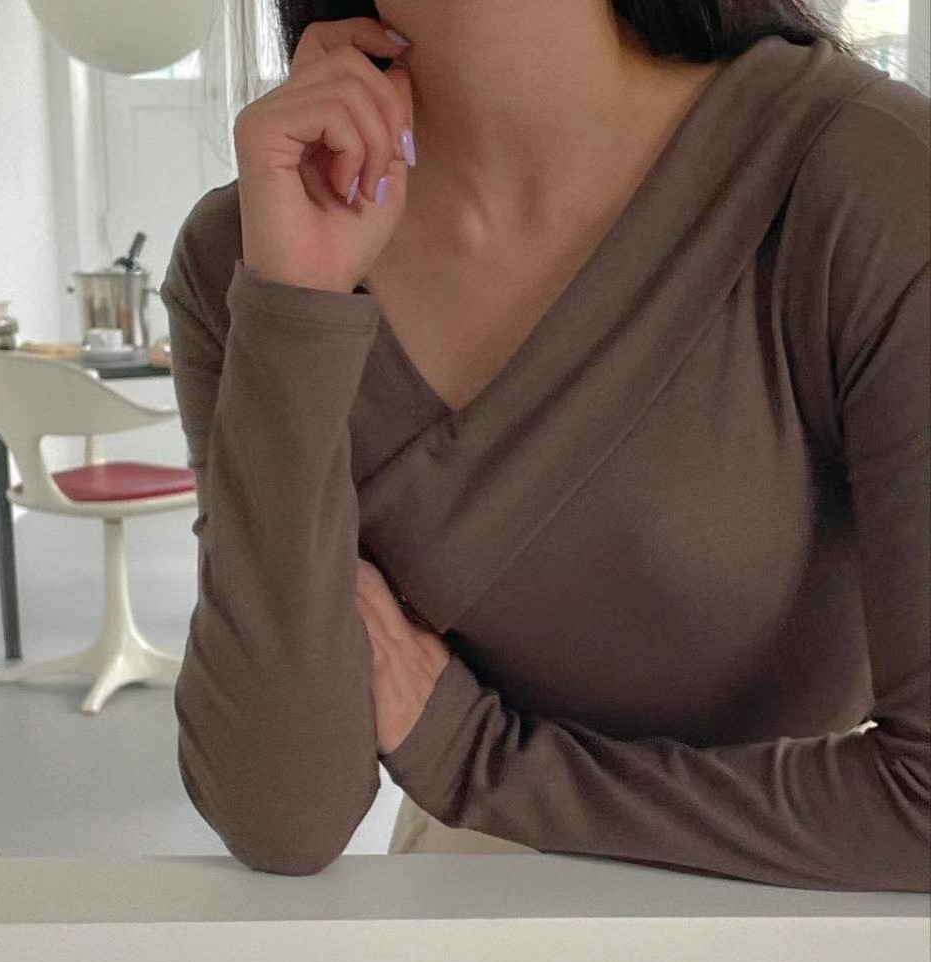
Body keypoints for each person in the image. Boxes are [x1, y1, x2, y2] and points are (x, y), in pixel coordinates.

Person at [159, 1, 930, 889]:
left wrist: (478, 759)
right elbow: (281, 814)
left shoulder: (869, 176)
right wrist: (295, 310)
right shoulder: (257, 247)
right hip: (475, 919)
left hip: (815, 912)